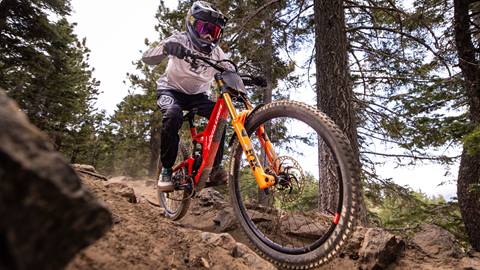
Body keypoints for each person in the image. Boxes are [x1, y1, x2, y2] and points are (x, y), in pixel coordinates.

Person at [142, 1, 230, 192]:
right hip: (170, 90)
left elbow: (231, 71)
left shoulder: (217, 53)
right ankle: (166, 169)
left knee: (221, 115)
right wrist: (167, 48)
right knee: (173, 115)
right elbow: (147, 57)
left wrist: (247, 79)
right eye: (204, 28)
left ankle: (215, 166)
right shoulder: (179, 39)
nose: (207, 35)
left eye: (213, 32)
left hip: (198, 96)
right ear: (191, 24)